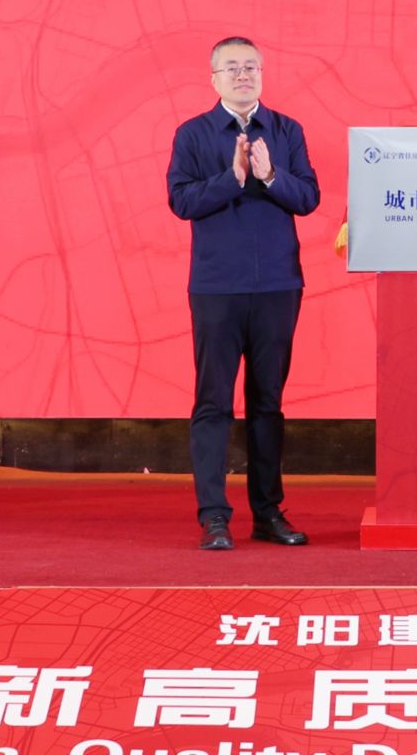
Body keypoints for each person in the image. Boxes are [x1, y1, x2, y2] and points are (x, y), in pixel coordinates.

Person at [166, 36, 320, 550]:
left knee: (267, 403)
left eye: (251, 67)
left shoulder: (287, 130)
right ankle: (214, 516)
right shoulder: (193, 133)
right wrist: (231, 179)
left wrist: (271, 175)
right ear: (213, 79)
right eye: (231, 68)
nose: (242, 75)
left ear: (262, 74)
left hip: (278, 283)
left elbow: (309, 197)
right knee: (213, 402)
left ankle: (268, 513)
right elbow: (181, 201)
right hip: (217, 287)